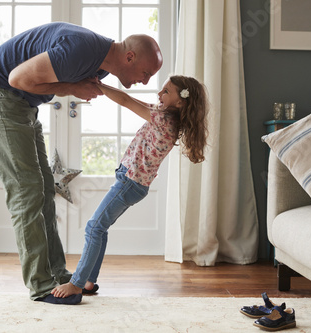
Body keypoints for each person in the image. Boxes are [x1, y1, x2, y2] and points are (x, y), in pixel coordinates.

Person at [0, 22, 163, 305]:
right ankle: (41, 284)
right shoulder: (81, 49)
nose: (146, 82)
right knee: (27, 190)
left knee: (44, 188)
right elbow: (16, 78)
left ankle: (59, 276)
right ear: (130, 58)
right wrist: (71, 87)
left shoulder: (104, 62)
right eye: (146, 74)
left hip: (21, 103)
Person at [51, 75, 209, 302]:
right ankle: (88, 280)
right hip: (132, 183)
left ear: (181, 101)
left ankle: (76, 284)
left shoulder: (164, 121)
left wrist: (98, 86)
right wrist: (101, 85)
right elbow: (136, 101)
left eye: (166, 91)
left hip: (129, 183)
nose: (159, 94)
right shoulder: (165, 115)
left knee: (94, 228)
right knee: (99, 228)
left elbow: (126, 101)